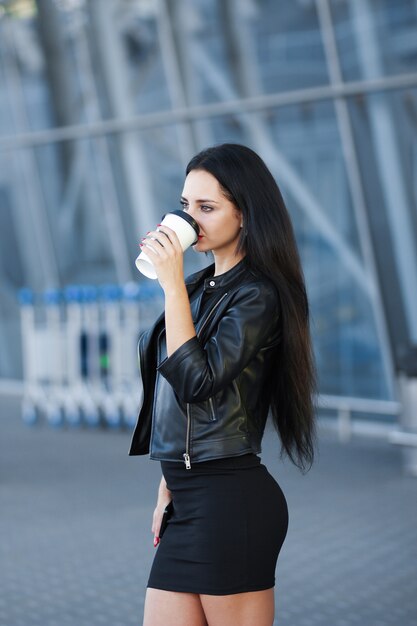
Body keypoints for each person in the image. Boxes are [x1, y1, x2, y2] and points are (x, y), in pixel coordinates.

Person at [129, 143, 317, 626]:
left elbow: (197, 382)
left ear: (246, 215)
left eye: (207, 208)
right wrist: (168, 478)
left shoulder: (258, 295)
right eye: (186, 205)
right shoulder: (198, 287)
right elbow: (176, 394)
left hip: (231, 504)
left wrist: (171, 285)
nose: (191, 219)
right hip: (187, 498)